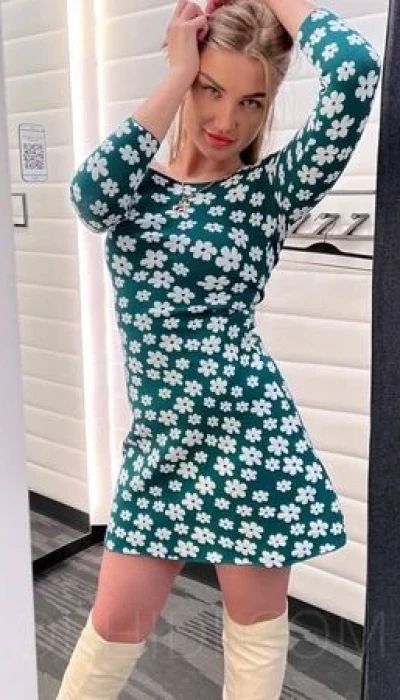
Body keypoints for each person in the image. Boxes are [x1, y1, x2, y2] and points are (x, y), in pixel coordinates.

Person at [57, 0, 381, 698]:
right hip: (161, 445)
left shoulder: (268, 191)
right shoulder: (133, 188)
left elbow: (356, 71)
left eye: (251, 101)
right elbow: (88, 197)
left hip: (249, 441)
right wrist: (176, 74)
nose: (227, 120)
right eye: (211, 89)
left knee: (254, 634)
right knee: (112, 625)